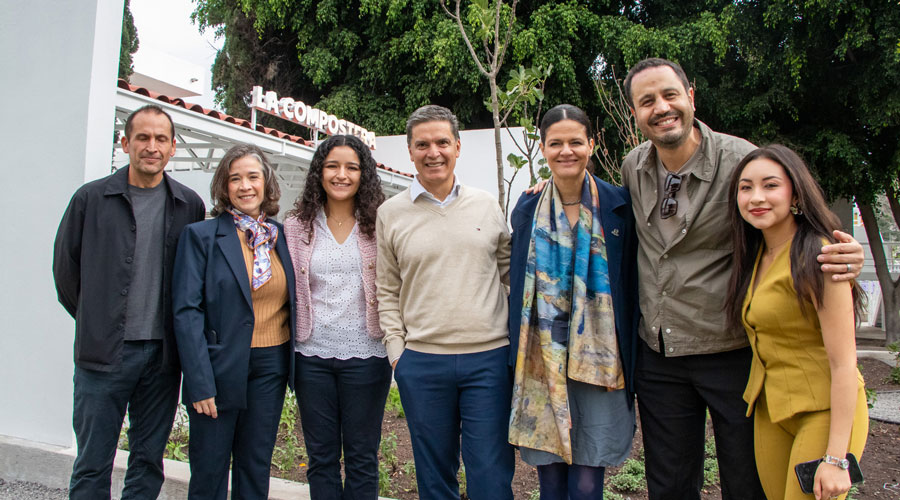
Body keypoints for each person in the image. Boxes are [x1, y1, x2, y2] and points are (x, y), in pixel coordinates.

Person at [618, 57, 865, 500]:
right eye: (646, 101)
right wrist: (556, 185)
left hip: (730, 349)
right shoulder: (633, 166)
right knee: (669, 482)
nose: (661, 107)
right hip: (658, 350)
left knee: (746, 479)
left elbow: (788, 214)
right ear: (635, 113)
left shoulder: (739, 159)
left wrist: (842, 252)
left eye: (670, 94)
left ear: (690, 96)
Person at [53, 104, 205, 499]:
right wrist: (98, 320)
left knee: (147, 462)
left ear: (173, 148)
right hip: (103, 356)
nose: (151, 146)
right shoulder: (90, 200)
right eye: (142, 137)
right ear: (125, 143)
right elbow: (66, 274)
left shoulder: (189, 205)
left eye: (160, 139)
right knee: (92, 463)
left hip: (162, 358)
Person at [376, 104, 515, 500]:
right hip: (422, 363)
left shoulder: (486, 204)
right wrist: (397, 353)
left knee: (491, 474)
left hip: (488, 360)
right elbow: (386, 288)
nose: (432, 152)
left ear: (457, 147)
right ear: (410, 151)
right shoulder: (391, 213)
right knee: (435, 479)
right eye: (422, 144)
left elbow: (510, 273)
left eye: (441, 142)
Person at [507, 104, 639, 500]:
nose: (567, 151)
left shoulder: (619, 205)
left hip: (599, 358)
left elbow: (632, 280)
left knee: (586, 475)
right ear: (543, 149)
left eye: (576, 142)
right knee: (549, 476)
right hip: (542, 356)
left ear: (592, 145)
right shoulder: (527, 208)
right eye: (556, 143)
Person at [725, 145, 868, 500]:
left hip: (823, 412)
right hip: (771, 412)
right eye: (746, 187)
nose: (756, 197)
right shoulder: (756, 253)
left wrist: (837, 459)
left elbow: (844, 361)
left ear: (795, 193)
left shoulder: (822, 255)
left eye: (770, 185)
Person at [172, 144, 295, 500]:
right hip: (217, 368)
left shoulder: (280, 236)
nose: (245, 186)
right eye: (235, 178)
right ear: (223, 187)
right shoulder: (202, 237)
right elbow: (186, 311)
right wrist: (199, 382)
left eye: (253, 177)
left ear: (266, 183)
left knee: (255, 468)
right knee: (209, 471)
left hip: (270, 365)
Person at [283, 134, 390, 500]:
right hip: (311, 357)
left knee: (362, 457)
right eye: (332, 166)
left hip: (368, 356)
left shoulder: (380, 224)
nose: (341, 175)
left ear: (364, 175)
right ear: (319, 172)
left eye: (351, 167)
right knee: (321, 457)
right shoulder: (297, 226)